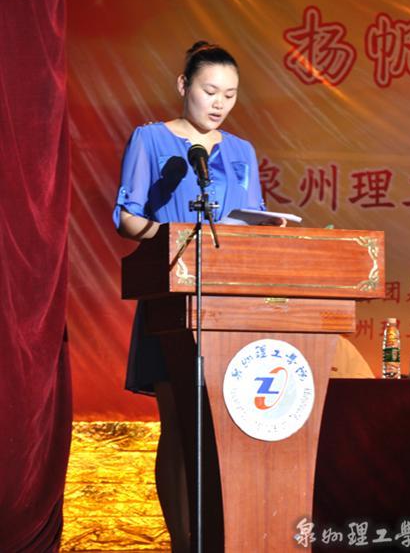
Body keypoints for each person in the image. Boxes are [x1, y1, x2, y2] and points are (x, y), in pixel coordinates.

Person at [113, 41, 267, 552]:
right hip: (172, 299)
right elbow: (128, 217)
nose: (219, 103)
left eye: (230, 94)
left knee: (226, 428)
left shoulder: (242, 152)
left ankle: (227, 537)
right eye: (209, 91)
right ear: (183, 86)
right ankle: (183, 541)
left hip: (230, 304)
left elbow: (252, 221)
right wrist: (172, 234)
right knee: (180, 426)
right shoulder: (152, 140)